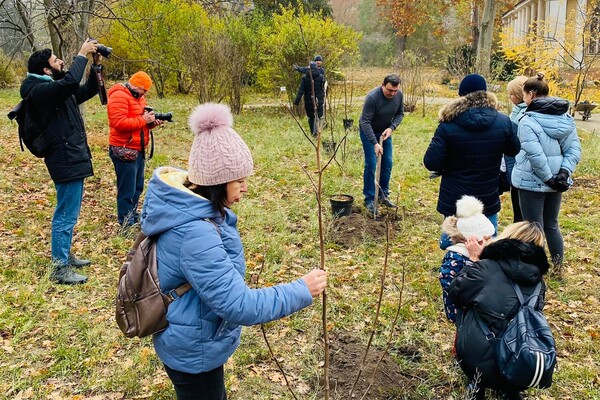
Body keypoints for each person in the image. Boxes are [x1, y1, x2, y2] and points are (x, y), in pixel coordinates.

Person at [140, 103, 327, 399]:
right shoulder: (195, 232)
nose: (245, 188)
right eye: (238, 181)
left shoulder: (196, 210)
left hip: (193, 339)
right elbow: (239, 305)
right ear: (216, 182)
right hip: (193, 352)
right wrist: (301, 289)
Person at [20, 39, 102, 285]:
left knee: (70, 212)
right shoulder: (37, 90)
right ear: (46, 70)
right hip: (63, 157)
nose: (61, 62)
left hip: (72, 155)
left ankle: (64, 254)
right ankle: (59, 267)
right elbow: (70, 83)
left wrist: (95, 67)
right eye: (56, 61)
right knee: (65, 214)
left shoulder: (56, 87)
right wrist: (81, 54)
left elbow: (86, 91)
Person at [448, 221, 550, 400]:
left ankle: (476, 384)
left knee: (468, 307)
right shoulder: (539, 282)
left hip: (478, 361)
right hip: (521, 362)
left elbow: (456, 294)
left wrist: (474, 261)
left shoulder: (487, 266)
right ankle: (510, 390)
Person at [424, 73, 520, 233]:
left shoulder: (447, 124)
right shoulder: (503, 122)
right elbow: (513, 149)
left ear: (461, 95)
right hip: (487, 196)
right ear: (485, 93)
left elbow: (431, 162)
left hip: (455, 198)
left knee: (455, 244)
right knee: (486, 242)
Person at [512, 73, 582, 270]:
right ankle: (558, 266)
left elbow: (535, 154)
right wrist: (563, 173)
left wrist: (549, 178)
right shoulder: (566, 119)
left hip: (531, 181)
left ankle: (535, 269)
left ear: (531, 94)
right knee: (552, 224)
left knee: (533, 227)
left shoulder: (527, 120)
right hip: (556, 181)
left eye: (524, 94)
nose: (523, 98)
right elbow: (573, 149)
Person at [107, 71, 163, 227]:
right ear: (138, 86)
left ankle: (132, 215)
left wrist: (151, 123)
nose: (144, 94)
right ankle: (125, 222)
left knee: (137, 187)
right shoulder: (119, 96)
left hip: (137, 148)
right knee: (127, 189)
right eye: (144, 90)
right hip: (123, 149)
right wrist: (143, 120)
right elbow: (119, 123)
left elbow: (138, 122)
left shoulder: (138, 97)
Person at [438, 195, 494, 323]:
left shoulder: (486, 250)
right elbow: (455, 289)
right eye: (482, 240)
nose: (487, 243)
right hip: (463, 315)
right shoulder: (455, 257)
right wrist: (474, 261)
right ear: (468, 241)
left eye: (489, 238)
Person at [358, 74, 404, 215]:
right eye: (389, 90)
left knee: (387, 163)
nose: (392, 94)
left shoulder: (399, 95)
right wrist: (374, 143)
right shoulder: (373, 98)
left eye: (395, 91)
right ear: (382, 85)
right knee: (371, 164)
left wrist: (391, 128)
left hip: (385, 133)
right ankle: (370, 198)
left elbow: (400, 114)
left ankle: (384, 194)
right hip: (368, 132)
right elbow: (364, 121)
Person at [504, 75, 529, 222]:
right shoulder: (516, 110)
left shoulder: (525, 114)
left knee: (520, 208)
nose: (509, 97)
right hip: (512, 161)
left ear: (520, 95)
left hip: (519, 163)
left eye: (511, 94)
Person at [293, 61, 325, 136]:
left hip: (308, 101)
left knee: (311, 117)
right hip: (319, 101)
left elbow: (301, 90)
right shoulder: (321, 77)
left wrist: (296, 101)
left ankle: (312, 132)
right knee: (318, 116)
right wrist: (322, 98)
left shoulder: (305, 78)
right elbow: (323, 89)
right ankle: (316, 132)